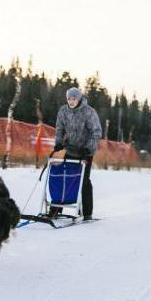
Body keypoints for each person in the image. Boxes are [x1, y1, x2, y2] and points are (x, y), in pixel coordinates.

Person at [52, 87, 102, 220]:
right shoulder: (63, 111)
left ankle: (87, 213)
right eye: (69, 98)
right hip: (71, 149)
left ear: (79, 99)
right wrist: (58, 143)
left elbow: (96, 132)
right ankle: (56, 208)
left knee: (84, 180)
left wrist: (88, 148)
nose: (71, 101)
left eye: (74, 98)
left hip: (85, 152)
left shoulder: (89, 112)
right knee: (66, 177)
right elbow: (59, 129)